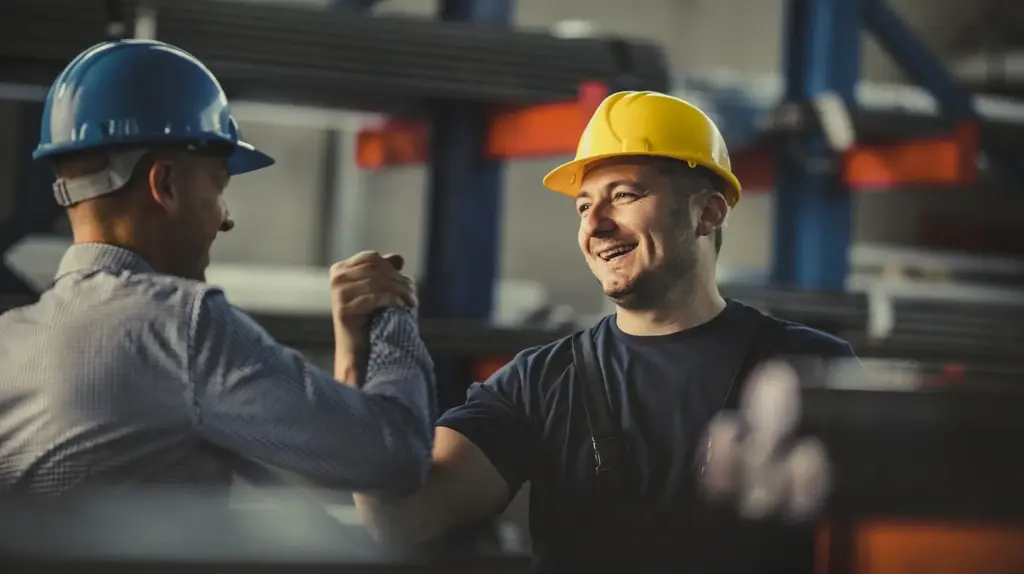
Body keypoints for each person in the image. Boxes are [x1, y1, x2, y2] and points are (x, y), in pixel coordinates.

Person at [352, 91, 857, 573]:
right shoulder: (539, 382)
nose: (595, 223)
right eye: (583, 206)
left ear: (708, 211)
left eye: (624, 194)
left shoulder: (812, 369)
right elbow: (401, 516)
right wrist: (360, 354)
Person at [0, 39, 435, 496]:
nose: (226, 219)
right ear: (164, 184)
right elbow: (396, 455)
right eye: (219, 188)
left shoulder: (10, 340)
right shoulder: (179, 327)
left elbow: (325, 465)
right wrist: (391, 312)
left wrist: (351, 354)